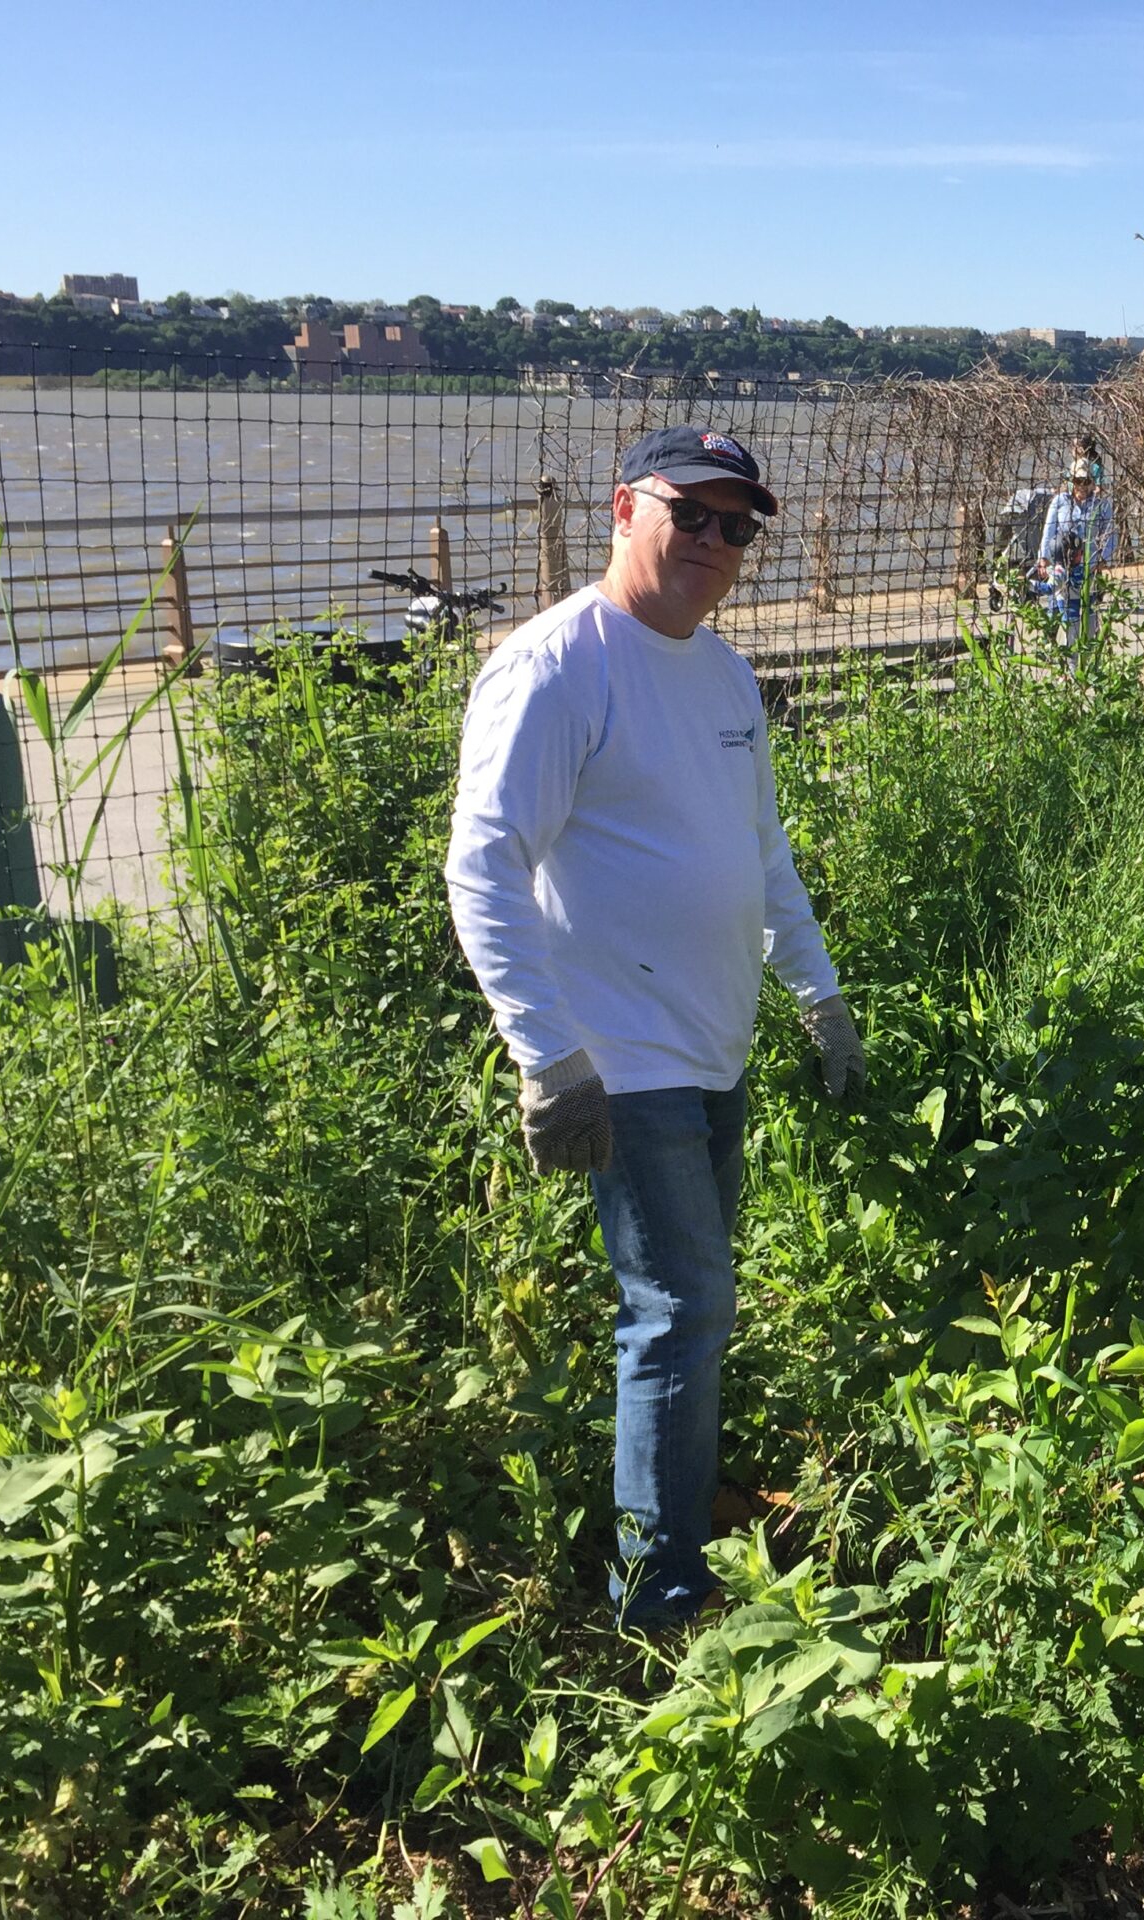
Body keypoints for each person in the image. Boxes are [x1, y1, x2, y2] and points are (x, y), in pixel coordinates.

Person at [444, 425, 866, 1631]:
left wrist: (817, 996)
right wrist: (549, 1056)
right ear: (626, 508)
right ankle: (659, 1597)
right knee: (681, 1307)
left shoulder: (725, 677)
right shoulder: (559, 666)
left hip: (715, 1043)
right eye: (694, 515)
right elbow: (483, 869)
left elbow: (760, 855)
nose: (717, 544)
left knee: (687, 1305)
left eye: (740, 527)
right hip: (619, 1059)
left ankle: (673, 1522)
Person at [1033, 457, 1116, 644]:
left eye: (1086, 481)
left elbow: (1111, 535)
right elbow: (1049, 530)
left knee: (1089, 608)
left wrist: (1103, 559)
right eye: (1078, 481)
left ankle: (1086, 647)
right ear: (1071, 481)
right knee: (1057, 609)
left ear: (1092, 482)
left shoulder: (1101, 506)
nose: (1082, 486)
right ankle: (1053, 648)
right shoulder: (1060, 501)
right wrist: (1043, 558)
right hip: (1061, 564)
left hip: (1089, 566)